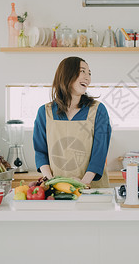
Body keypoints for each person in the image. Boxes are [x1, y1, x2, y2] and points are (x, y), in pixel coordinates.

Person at [33, 56, 111, 188]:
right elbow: (40, 152)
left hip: (91, 189)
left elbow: (100, 152)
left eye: (89, 73)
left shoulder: (98, 110)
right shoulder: (45, 112)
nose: (88, 77)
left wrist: (84, 183)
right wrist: (51, 181)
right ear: (67, 74)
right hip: (56, 189)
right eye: (83, 71)